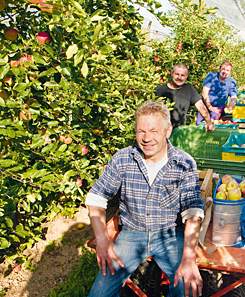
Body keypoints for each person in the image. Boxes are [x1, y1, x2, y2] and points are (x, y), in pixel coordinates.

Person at [86, 101, 204, 297]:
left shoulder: (184, 163)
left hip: (170, 234)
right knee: (99, 294)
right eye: (141, 131)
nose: (147, 138)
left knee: (187, 288)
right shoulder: (123, 158)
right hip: (132, 234)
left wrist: (189, 258)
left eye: (153, 131)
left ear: (168, 131)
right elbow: (96, 198)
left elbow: (193, 212)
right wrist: (102, 240)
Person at [155, 63, 215, 132]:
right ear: (172, 73)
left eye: (182, 75)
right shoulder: (159, 90)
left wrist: (208, 122)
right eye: (177, 74)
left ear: (186, 76)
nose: (179, 78)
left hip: (179, 132)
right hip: (161, 131)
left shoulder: (188, 89)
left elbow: (201, 106)